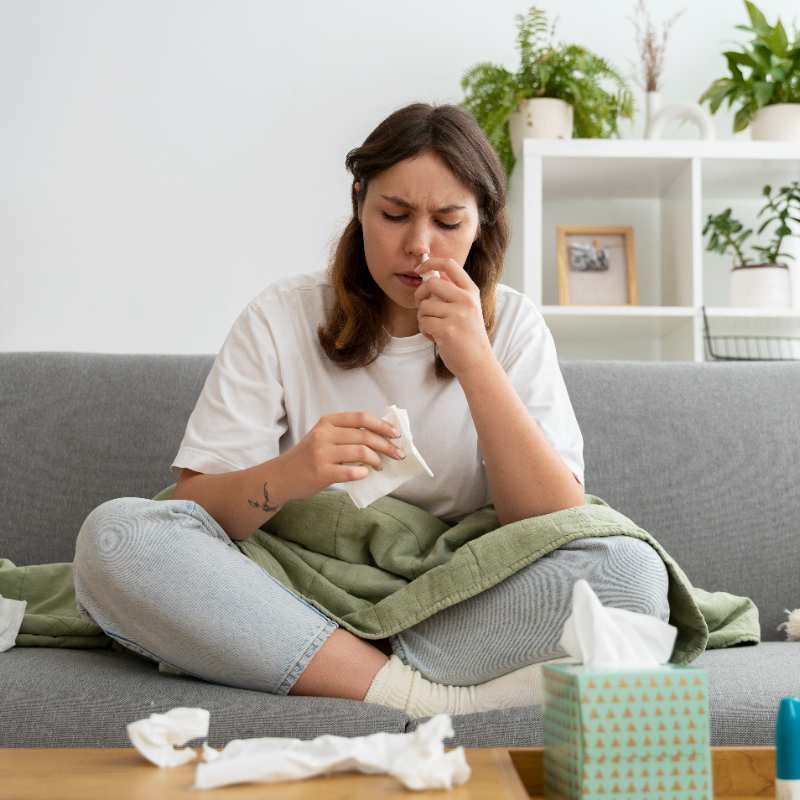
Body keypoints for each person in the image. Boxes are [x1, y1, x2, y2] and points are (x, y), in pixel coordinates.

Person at [72, 102, 670, 719]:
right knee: (117, 536)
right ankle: (419, 694)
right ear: (359, 201)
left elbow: (552, 522)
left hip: (457, 598)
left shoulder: (513, 324)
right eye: (394, 214)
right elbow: (190, 510)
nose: (418, 245)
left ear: (482, 224)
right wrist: (294, 473)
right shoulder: (281, 317)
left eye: (447, 222)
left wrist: (476, 364)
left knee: (630, 575)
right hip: (292, 591)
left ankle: (332, 667)